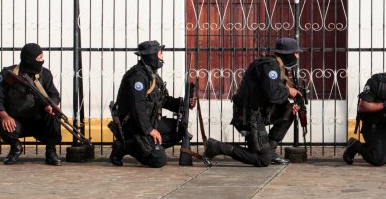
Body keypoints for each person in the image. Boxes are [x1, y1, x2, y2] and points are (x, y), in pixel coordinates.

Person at [202, 37, 302, 167]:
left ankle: (270, 150)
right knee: (262, 160)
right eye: (295, 53)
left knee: (289, 109)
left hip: (257, 113)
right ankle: (217, 147)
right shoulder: (269, 66)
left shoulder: (277, 66)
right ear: (287, 54)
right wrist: (288, 91)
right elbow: (272, 95)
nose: (298, 56)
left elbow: (269, 93)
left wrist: (290, 101)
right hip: (249, 117)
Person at [109, 40, 196, 168]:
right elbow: (137, 107)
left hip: (149, 121)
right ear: (152, 55)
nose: (162, 57)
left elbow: (162, 100)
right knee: (159, 161)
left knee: (180, 130)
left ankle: (148, 146)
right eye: (160, 53)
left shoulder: (152, 75)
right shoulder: (137, 77)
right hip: (134, 125)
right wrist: (150, 130)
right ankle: (125, 146)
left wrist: (184, 103)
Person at [0, 43, 63, 166]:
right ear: (29, 59)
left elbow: (54, 94)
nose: (42, 61)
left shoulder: (45, 74)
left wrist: (52, 104)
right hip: (17, 122)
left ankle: (51, 152)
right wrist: (4, 116)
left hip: (40, 121)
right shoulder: (8, 74)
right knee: (3, 126)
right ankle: (16, 148)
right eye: (39, 58)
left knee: (55, 115)